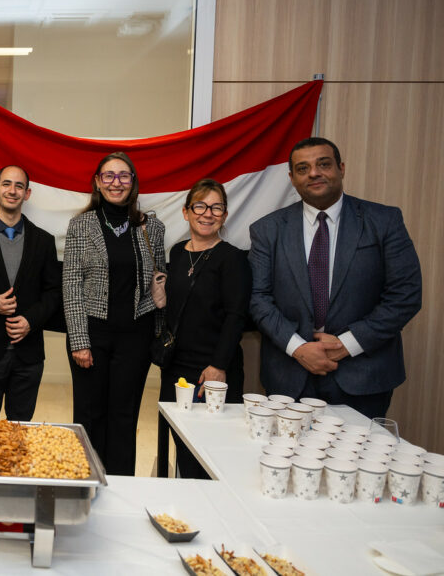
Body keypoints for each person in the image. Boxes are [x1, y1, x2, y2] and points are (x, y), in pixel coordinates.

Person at [249, 137, 421, 419]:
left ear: (341, 168)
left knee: (363, 460)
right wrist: (299, 348)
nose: (314, 173)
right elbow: (258, 298)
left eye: (323, 164)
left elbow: (406, 295)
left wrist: (346, 345)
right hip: (290, 378)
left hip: (364, 375)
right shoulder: (267, 230)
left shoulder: (384, 221)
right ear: (292, 179)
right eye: (303, 169)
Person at [63, 151, 165, 476]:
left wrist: (159, 332)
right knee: (91, 416)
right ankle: (87, 484)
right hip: (92, 335)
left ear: (133, 182)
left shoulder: (152, 227)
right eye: (108, 175)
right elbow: (71, 286)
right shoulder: (81, 225)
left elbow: (159, 279)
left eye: (123, 175)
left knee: (124, 416)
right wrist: (79, 340)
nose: (116, 182)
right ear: (97, 182)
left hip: (136, 336)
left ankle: (122, 488)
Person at [159, 179, 251, 478]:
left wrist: (218, 365)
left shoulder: (233, 258)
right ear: (186, 212)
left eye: (216, 207)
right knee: (182, 448)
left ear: (224, 215)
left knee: (210, 454)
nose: (207, 213)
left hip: (212, 371)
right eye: (200, 205)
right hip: (175, 369)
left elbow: (237, 316)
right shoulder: (175, 253)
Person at [0, 165, 61, 421]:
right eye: (7, 184)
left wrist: (31, 321)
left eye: (19, 186)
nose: (12, 190)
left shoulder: (44, 241)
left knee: (21, 429)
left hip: (28, 355)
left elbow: (53, 292)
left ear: (27, 194)